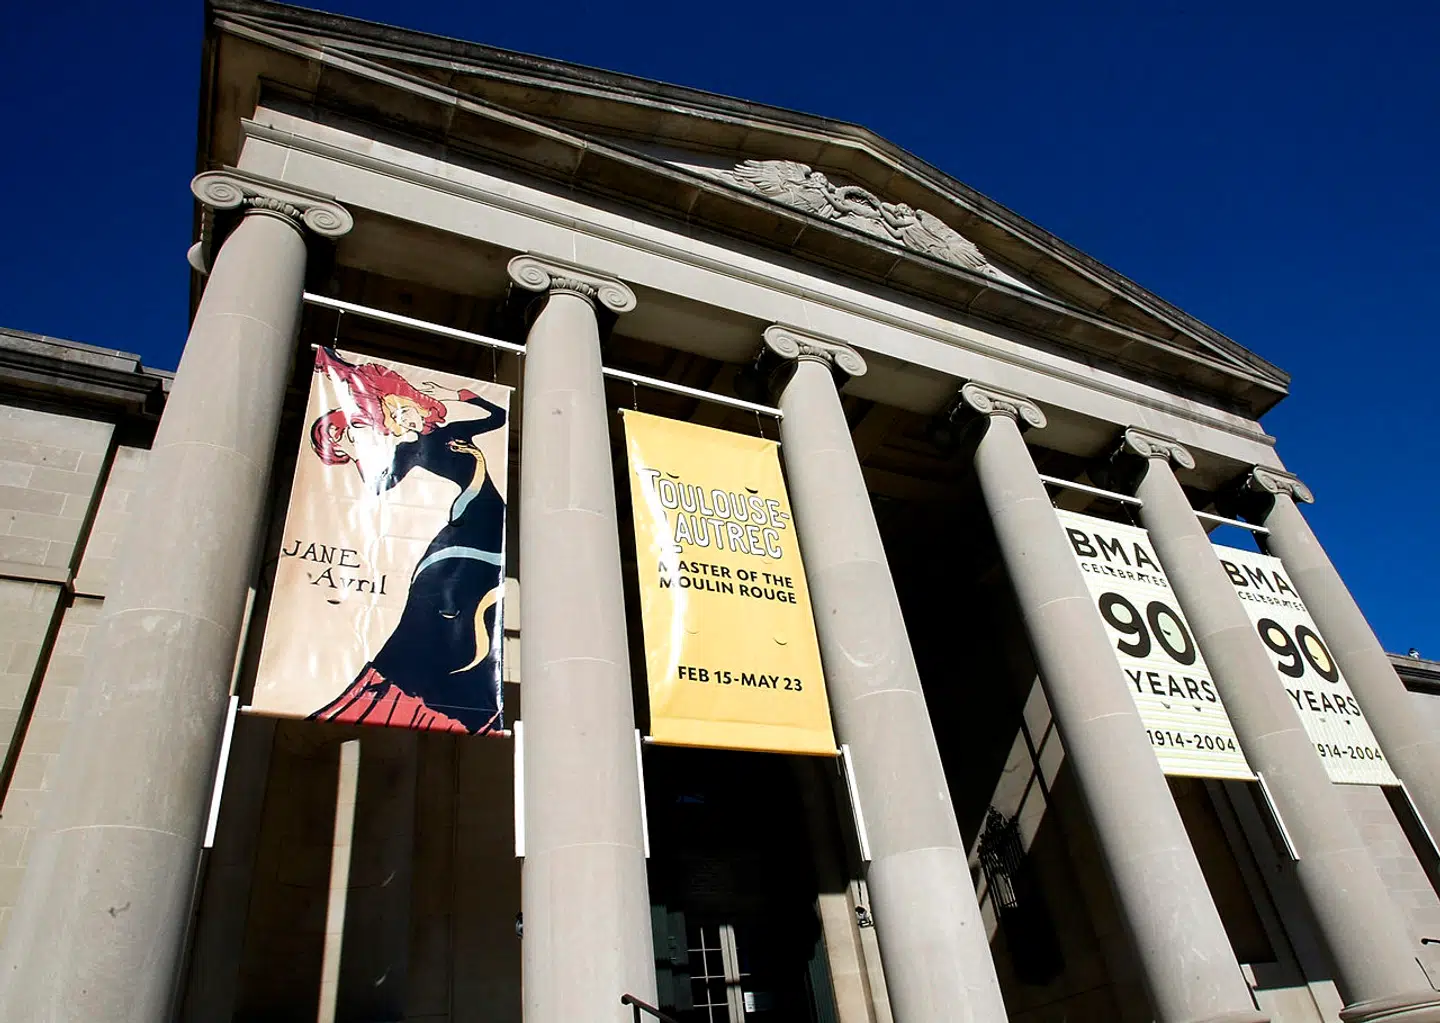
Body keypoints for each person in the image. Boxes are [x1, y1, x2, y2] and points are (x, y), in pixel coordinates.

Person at [306, 347, 507, 734]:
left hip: (489, 526)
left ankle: (444, 697)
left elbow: (496, 417)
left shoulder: (452, 432)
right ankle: (414, 697)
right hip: (459, 537)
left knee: (473, 613)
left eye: (400, 408)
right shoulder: (408, 451)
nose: (400, 418)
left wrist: (458, 395)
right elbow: (379, 485)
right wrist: (354, 451)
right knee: (445, 613)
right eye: (392, 416)